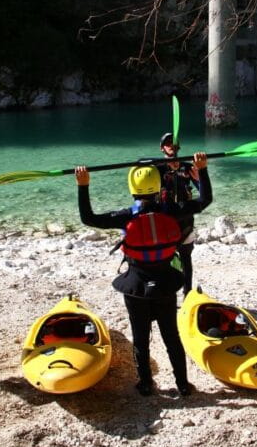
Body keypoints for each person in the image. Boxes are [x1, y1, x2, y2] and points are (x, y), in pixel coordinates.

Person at [75, 152, 212, 396]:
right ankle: (182, 384)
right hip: (166, 286)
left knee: (140, 338)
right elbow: (204, 201)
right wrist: (201, 170)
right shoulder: (173, 211)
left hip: (136, 287)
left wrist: (83, 185)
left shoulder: (126, 216)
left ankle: (146, 384)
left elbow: (89, 218)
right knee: (172, 337)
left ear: (132, 187)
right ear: (158, 187)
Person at [157, 132, 200, 295]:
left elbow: (203, 192)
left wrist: (202, 173)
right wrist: (168, 165)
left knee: (186, 259)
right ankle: (166, 293)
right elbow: (139, 164)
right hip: (165, 224)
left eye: (173, 144)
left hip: (186, 224)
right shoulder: (156, 169)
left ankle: (187, 293)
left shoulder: (188, 168)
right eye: (167, 144)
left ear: (178, 147)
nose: (171, 146)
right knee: (163, 260)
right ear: (162, 148)